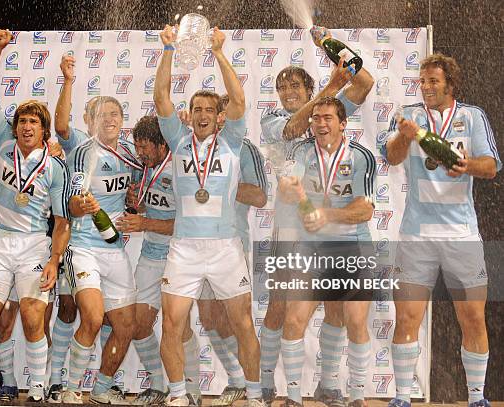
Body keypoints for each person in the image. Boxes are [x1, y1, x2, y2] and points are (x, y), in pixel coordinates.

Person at [259, 29, 374, 405]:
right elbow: (295, 127)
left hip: (337, 233)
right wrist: (330, 86)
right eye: (282, 87)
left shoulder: (328, 112)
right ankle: (264, 384)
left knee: (339, 312)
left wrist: (327, 42)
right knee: (281, 308)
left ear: (308, 90)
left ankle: (329, 384)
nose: (289, 92)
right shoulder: (274, 118)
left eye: (296, 86)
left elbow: (365, 81)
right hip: (291, 230)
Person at [154, 25, 262, 407]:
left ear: (219, 116)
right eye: (196, 108)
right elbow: (161, 96)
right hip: (183, 248)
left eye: (208, 109)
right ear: (189, 115)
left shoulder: (232, 141)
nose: (201, 114)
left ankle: (253, 395)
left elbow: (239, 97)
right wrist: (168, 48)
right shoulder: (177, 139)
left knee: (243, 323)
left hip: (225, 248)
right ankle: (179, 396)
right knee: (172, 324)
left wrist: (218, 53)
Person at [384, 53, 499, 407]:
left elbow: (491, 166)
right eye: (422, 80)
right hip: (416, 236)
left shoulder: (472, 116)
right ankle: (402, 397)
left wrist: (466, 166)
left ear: (451, 84)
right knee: (406, 316)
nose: (426, 87)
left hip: (461, 235)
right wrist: (404, 137)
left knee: (473, 318)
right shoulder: (409, 115)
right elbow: (391, 157)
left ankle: (476, 398)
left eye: (433, 81)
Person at [0, 28, 71, 402]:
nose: (27, 126)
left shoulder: (54, 167)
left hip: (34, 246)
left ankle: (37, 388)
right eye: (22, 121)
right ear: (14, 127)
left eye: (34, 122)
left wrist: (54, 260)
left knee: (33, 319)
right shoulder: (2, 143)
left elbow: (63, 223)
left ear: (44, 131)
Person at [277, 96, 375, 407]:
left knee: (354, 320)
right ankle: (294, 397)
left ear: (343, 123)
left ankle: (355, 395)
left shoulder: (361, 157)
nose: (320, 123)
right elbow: (286, 188)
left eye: (328, 118)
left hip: (353, 246)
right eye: (316, 118)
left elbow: (365, 210)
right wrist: (289, 189)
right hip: (311, 248)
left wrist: (327, 215)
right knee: (294, 319)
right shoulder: (302, 151)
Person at [55, 54, 141, 404]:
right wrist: (84, 205)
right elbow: (71, 205)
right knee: (90, 317)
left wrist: (136, 209)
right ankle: (70, 388)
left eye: (115, 114)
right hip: (83, 248)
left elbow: (138, 192)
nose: (109, 119)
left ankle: (103, 391)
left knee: (126, 326)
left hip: (115, 249)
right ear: (89, 121)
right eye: (102, 114)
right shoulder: (81, 148)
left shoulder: (133, 153)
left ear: (122, 121)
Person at [196, 94, 268, 406]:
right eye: (209, 112)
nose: (213, 118)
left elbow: (260, 197)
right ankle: (236, 379)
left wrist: (221, 182)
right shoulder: (191, 146)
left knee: (238, 319)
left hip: (231, 243)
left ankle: (253, 387)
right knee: (209, 317)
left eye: (220, 113)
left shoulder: (245, 147)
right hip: (196, 244)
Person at [110, 115, 174, 406]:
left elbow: (186, 223)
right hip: (151, 253)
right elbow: (150, 207)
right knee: (137, 326)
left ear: (163, 145)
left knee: (181, 326)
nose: (140, 154)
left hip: (180, 256)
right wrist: (136, 203)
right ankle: (159, 386)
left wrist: (144, 222)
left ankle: (191, 391)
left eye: (145, 147)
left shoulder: (180, 167)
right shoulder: (146, 168)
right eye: (137, 147)